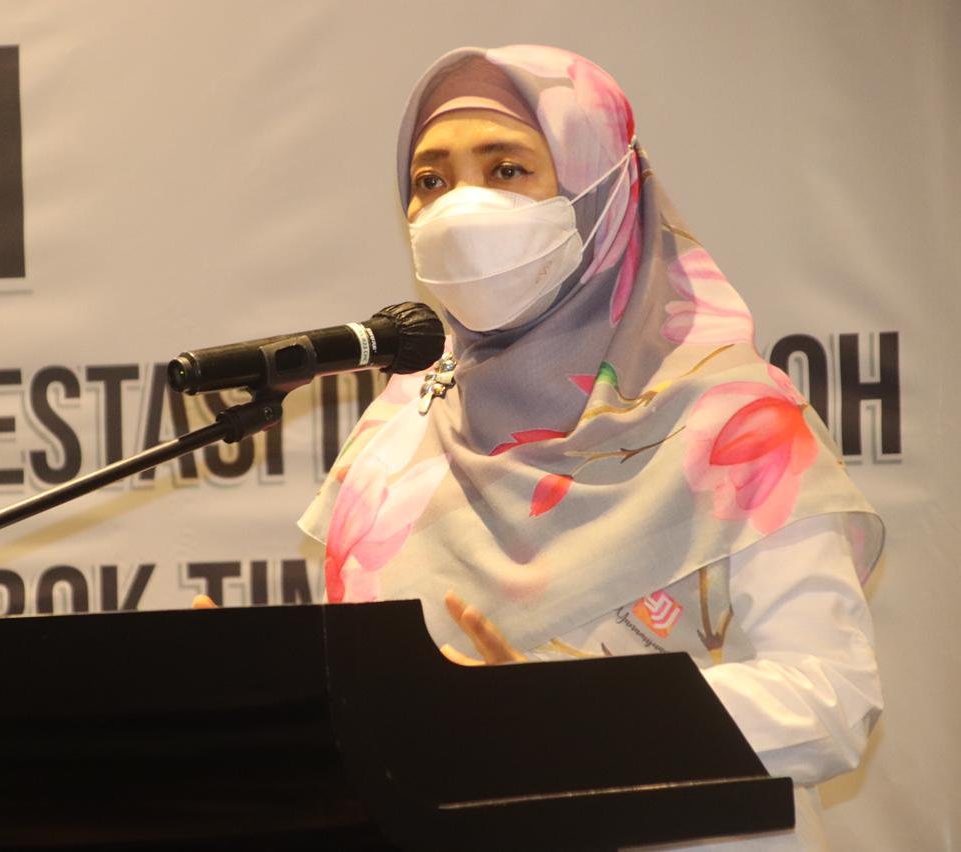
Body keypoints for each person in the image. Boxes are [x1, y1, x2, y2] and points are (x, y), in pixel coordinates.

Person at [295, 45, 884, 851]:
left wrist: (577, 715)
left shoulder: (734, 419)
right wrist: (277, 703)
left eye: (506, 170)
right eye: (430, 181)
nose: (461, 207)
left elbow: (832, 699)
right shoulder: (397, 433)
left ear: (602, 192)